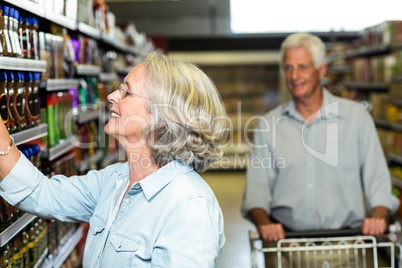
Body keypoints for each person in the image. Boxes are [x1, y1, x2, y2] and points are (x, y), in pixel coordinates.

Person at [0, 52, 227, 267]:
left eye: (126, 92)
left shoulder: (188, 207)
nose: (111, 96)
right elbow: (41, 194)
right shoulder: (114, 180)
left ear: (163, 118)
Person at [241, 33, 399, 265]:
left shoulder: (356, 118)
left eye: (302, 67)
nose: (294, 76)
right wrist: (264, 223)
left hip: (348, 247)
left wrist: (378, 216)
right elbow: (256, 189)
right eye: (288, 68)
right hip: (286, 247)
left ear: (321, 70)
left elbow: (378, 179)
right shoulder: (268, 125)